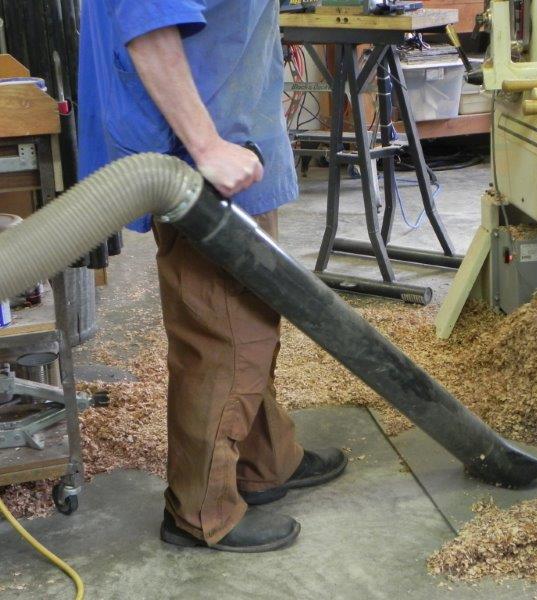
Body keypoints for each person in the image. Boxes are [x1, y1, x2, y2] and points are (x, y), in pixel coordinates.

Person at [77, 0, 347, 552]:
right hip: (204, 165)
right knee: (224, 336)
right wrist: (205, 146)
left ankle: (265, 462)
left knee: (252, 317)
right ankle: (202, 510)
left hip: (234, 146)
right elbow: (146, 23)